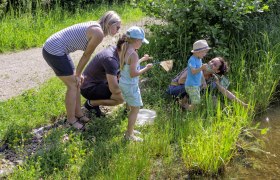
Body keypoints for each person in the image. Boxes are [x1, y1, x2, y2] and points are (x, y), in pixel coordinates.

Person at [42, 11, 121, 130]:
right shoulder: (98, 33)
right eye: (117, 27)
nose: (119, 30)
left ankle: (78, 113)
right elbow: (86, 55)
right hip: (53, 50)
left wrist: (78, 74)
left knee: (77, 82)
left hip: (58, 48)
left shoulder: (98, 29)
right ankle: (71, 120)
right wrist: (78, 74)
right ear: (110, 24)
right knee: (73, 84)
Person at [166, 57, 248, 108]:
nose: (210, 63)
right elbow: (181, 81)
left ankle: (184, 103)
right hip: (175, 89)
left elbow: (225, 91)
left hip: (189, 93)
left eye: (214, 64)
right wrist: (201, 81)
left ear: (217, 70)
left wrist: (242, 104)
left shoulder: (213, 77)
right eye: (211, 61)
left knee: (213, 85)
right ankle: (183, 103)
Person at [119, 26, 153, 142]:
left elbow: (130, 66)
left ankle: (131, 129)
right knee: (135, 109)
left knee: (133, 107)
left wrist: (142, 60)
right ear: (137, 41)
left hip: (124, 83)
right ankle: (129, 135)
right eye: (141, 42)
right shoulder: (133, 54)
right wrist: (146, 68)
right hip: (131, 85)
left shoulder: (125, 48)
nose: (142, 44)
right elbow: (134, 73)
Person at [80, 36, 126, 117]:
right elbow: (114, 89)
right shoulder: (110, 59)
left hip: (97, 82)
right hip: (88, 88)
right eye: (134, 49)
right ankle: (91, 103)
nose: (135, 52)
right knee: (120, 98)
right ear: (124, 47)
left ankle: (94, 104)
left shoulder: (116, 50)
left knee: (123, 85)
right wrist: (126, 93)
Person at [184, 39, 211, 111]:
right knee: (196, 102)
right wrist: (201, 67)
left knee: (195, 101)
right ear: (198, 52)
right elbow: (193, 72)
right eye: (204, 52)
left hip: (196, 84)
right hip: (191, 85)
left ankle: (184, 104)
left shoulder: (199, 59)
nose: (205, 54)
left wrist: (203, 82)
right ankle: (187, 109)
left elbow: (200, 72)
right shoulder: (192, 59)